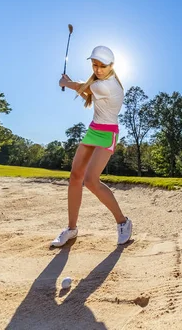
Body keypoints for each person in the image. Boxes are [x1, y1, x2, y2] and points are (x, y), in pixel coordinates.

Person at [52, 45, 132, 246]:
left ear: (111, 66)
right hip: (93, 130)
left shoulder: (108, 85)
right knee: (75, 176)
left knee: (91, 180)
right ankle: (71, 229)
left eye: (102, 66)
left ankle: (123, 222)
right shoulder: (99, 82)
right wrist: (71, 83)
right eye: (94, 65)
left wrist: (65, 82)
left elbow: (84, 88)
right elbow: (88, 95)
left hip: (107, 134)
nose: (97, 69)